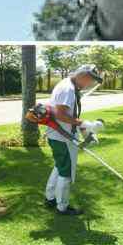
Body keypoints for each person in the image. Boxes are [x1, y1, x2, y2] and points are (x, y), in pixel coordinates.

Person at [45, 65, 102, 215]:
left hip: (59, 135)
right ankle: (62, 207)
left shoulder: (69, 85)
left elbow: (71, 114)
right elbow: (60, 114)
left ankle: (50, 198)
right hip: (61, 137)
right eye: (91, 80)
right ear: (83, 76)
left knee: (59, 166)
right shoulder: (68, 89)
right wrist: (83, 123)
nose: (90, 84)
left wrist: (85, 131)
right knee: (66, 173)